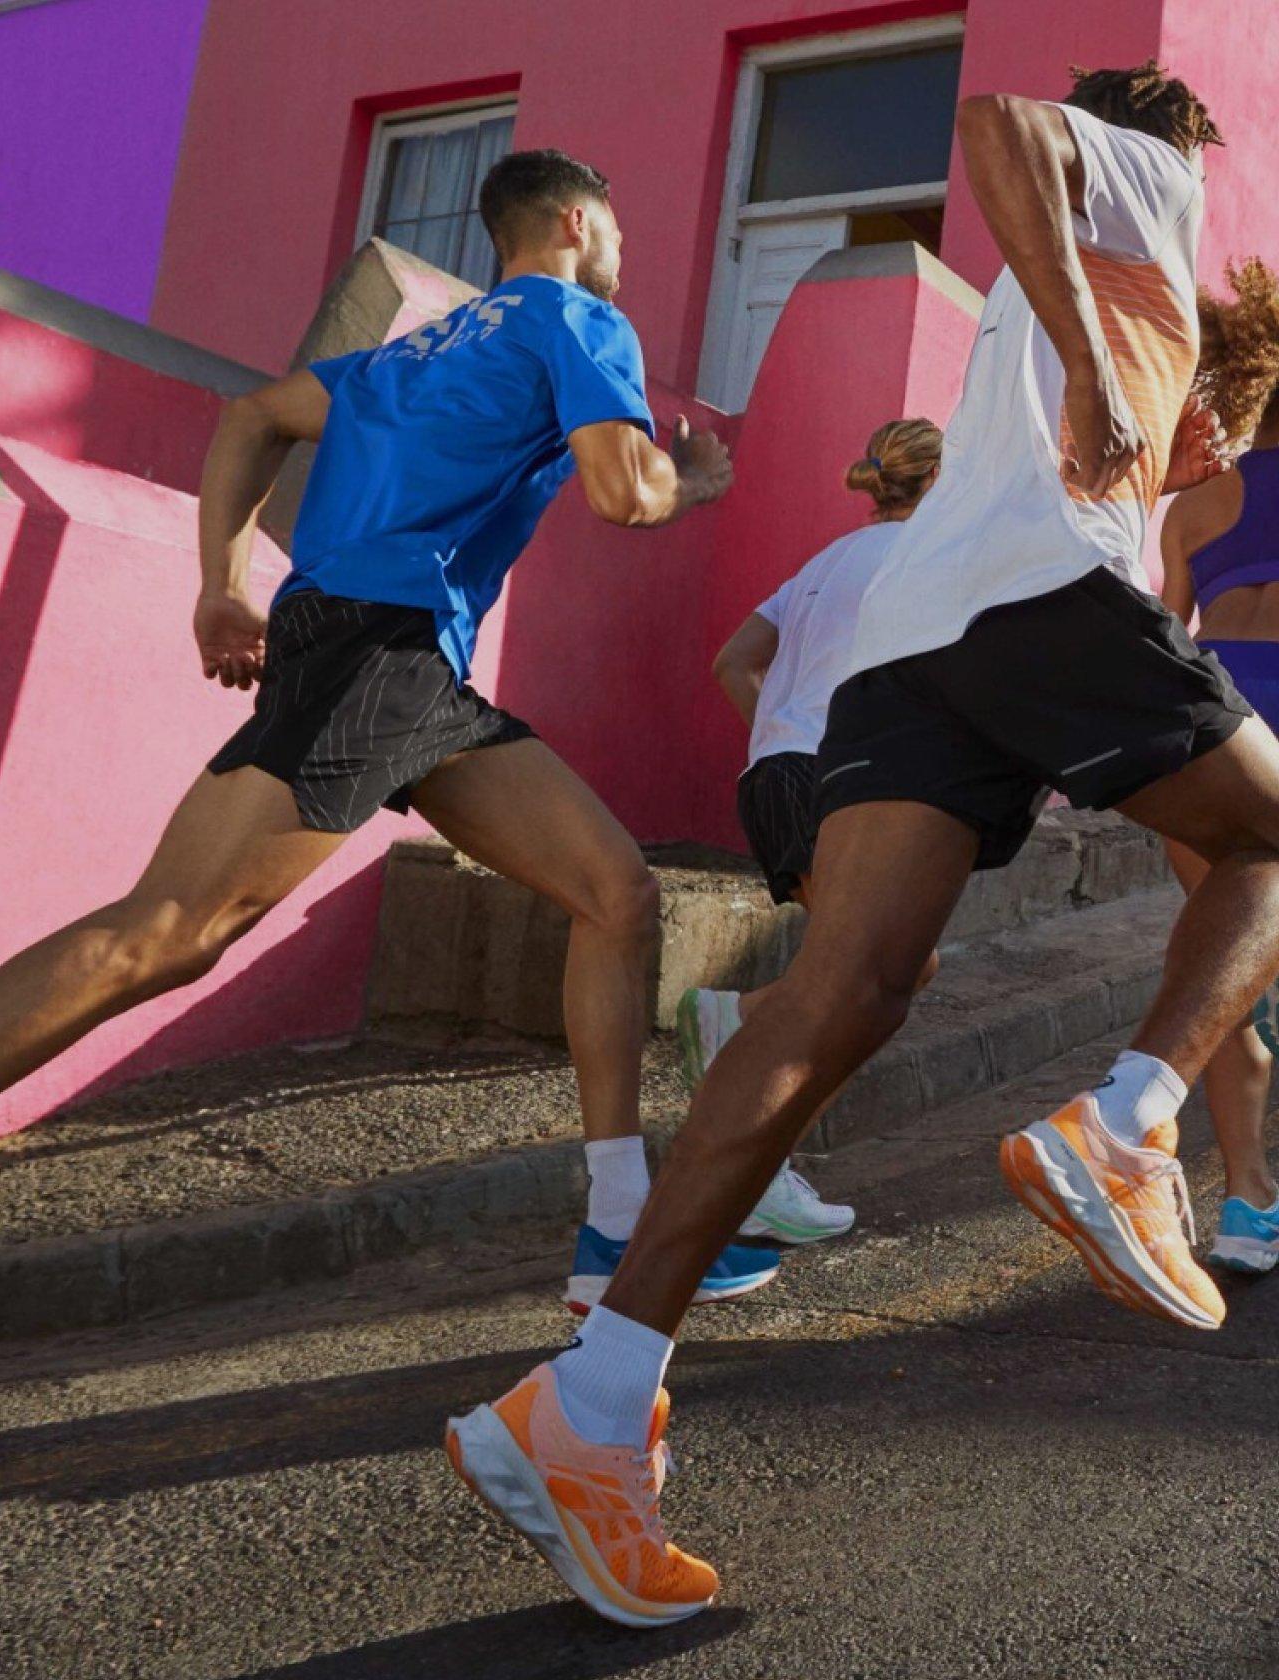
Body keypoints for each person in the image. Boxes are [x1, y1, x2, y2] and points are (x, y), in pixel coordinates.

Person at [0, 148, 753, 1449]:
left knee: (614, 891)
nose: (619, 251)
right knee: (164, 934)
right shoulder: (578, 321)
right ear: (573, 223)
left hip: (399, 661)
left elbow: (253, 416)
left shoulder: (415, 355)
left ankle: (619, 1221)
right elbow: (624, 492)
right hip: (381, 650)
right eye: (612, 228)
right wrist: (691, 485)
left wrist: (219, 583)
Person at [448, 62, 1249, 1628]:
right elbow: (1001, 122)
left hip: (914, 643)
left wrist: (1156, 424)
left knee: (843, 994)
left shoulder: (1054, 283)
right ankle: (1131, 1126)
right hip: (1033, 599)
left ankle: (597, 1399)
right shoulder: (1150, 173)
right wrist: (1106, 356)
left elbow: (1076, 411)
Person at [676, 418, 945, 1247]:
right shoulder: (927, 562)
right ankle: (752, 1124)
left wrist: (778, 739)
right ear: (941, 487)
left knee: (887, 971)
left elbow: (733, 662)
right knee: (863, 983)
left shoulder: (826, 562)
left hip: (774, 776)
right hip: (831, 783)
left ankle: (762, 1149)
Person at [1159, 256, 1279, 1272]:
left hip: (1214, 730)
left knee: (1223, 974)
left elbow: (1160, 638)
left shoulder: (1198, 506)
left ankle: (1248, 1207)